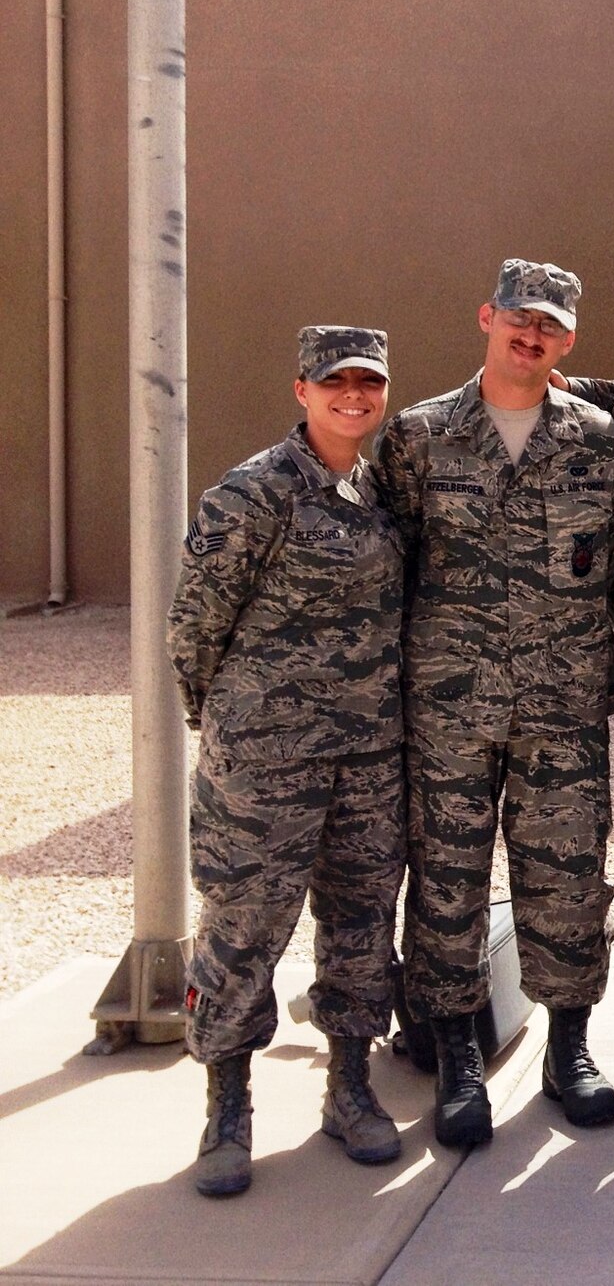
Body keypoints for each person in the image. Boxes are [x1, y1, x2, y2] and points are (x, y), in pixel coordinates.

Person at [376, 261, 614, 1147]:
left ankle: (570, 1049)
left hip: (561, 704)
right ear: (487, 316)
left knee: (567, 877)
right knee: (446, 881)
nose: (532, 337)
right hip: (449, 706)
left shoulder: (599, 441)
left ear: (569, 342)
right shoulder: (420, 436)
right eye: (520, 320)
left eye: (552, 327)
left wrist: (611, 685)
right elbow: (390, 568)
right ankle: (456, 1056)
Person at [170, 326, 406, 1196]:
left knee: (359, 920)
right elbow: (194, 624)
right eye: (334, 380)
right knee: (243, 926)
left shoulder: (383, 493)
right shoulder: (253, 493)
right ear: (301, 389)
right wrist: (226, 723)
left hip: (368, 755)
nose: (354, 395)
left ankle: (349, 1089)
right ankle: (226, 1109)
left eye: (369, 382)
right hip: (265, 762)